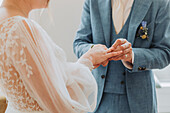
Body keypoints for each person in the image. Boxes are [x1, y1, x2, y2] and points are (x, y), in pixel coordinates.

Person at [0, 0, 124, 113]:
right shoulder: (23, 28)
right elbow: (57, 101)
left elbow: (36, 86)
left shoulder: (4, 20)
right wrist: (88, 61)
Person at [73, 0, 170, 113]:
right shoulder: (92, 2)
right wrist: (93, 52)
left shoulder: (159, 3)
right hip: (96, 100)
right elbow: (79, 43)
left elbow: (165, 52)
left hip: (140, 103)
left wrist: (133, 56)